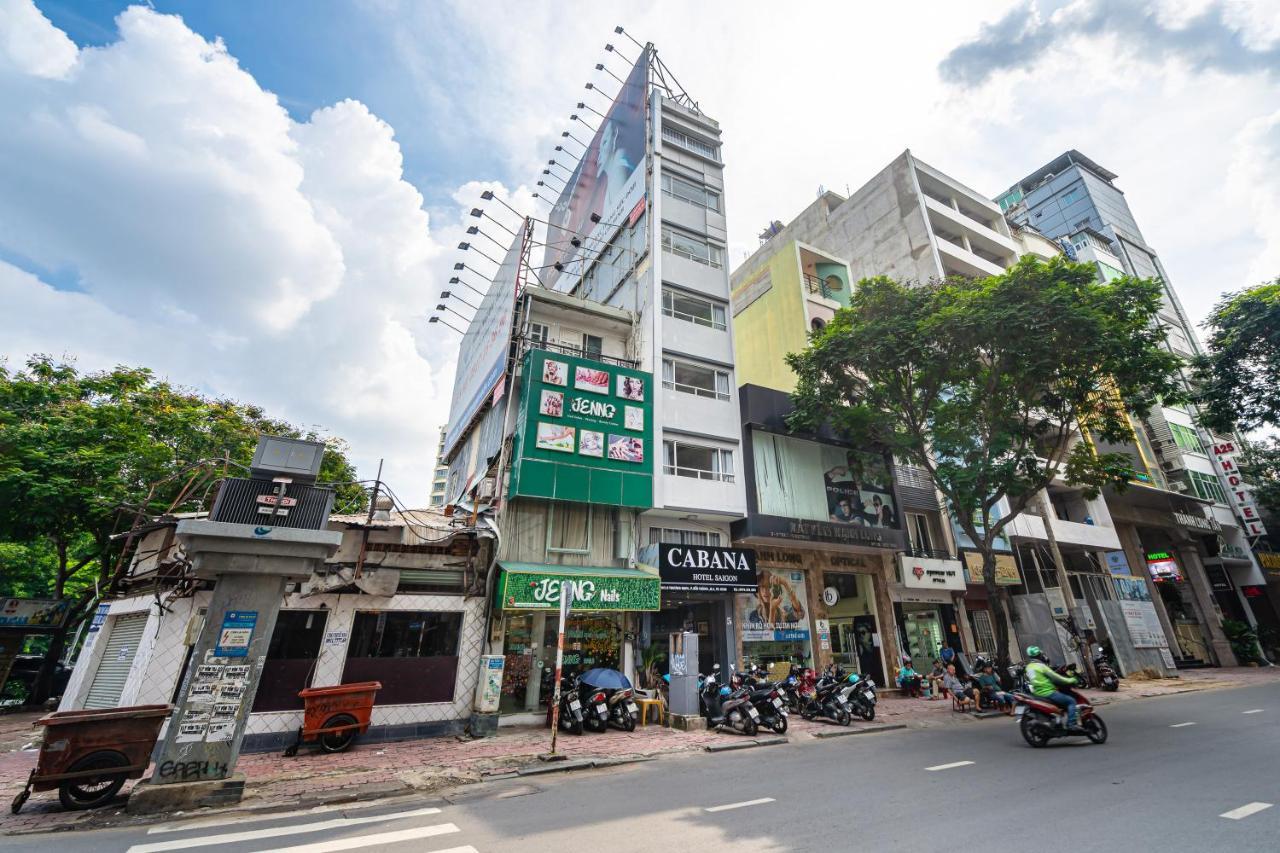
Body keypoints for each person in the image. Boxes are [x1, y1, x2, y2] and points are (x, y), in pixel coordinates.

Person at [1025, 645, 1081, 728]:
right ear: (1039, 655)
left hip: (1037, 694)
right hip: (1049, 692)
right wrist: (1072, 680)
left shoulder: (1028, 667)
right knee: (1071, 701)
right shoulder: (1041, 666)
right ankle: (1071, 724)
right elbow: (1056, 678)